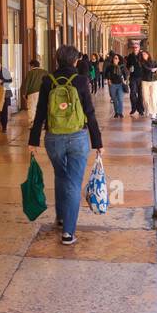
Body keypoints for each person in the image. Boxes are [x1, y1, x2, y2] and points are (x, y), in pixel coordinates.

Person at [29, 44, 103, 245]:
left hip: (53, 139)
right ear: (75, 61)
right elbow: (89, 112)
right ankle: (68, 232)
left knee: (61, 176)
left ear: (57, 60)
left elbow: (40, 113)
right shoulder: (80, 80)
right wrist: (97, 141)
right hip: (77, 137)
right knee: (73, 182)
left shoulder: (48, 81)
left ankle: (61, 217)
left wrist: (33, 140)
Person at [23, 58, 46, 127]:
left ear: (32, 65)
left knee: (32, 108)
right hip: (43, 92)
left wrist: (24, 93)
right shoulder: (44, 72)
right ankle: (42, 123)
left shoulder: (30, 73)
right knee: (41, 108)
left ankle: (32, 123)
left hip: (32, 93)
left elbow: (26, 83)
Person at [139, 48, 157, 122]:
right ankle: (147, 109)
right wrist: (152, 70)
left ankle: (154, 113)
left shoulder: (154, 61)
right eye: (142, 55)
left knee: (153, 97)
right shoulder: (141, 63)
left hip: (154, 81)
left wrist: (156, 70)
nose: (144, 55)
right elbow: (145, 68)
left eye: (145, 54)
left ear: (148, 54)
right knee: (145, 98)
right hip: (145, 81)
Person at [106, 51, 128, 118]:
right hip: (112, 85)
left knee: (120, 99)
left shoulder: (121, 67)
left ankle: (120, 112)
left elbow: (125, 74)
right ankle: (116, 112)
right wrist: (109, 79)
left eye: (116, 58)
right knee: (114, 99)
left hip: (120, 84)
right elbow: (106, 73)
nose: (115, 59)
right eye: (114, 58)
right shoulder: (110, 66)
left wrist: (125, 80)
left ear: (119, 60)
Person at [126, 42, 144, 117]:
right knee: (132, 93)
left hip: (141, 77)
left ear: (139, 48)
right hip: (133, 77)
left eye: (136, 47)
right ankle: (134, 108)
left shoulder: (142, 55)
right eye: (134, 47)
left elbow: (146, 63)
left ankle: (140, 109)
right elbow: (127, 65)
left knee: (140, 94)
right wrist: (129, 68)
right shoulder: (130, 56)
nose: (135, 49)